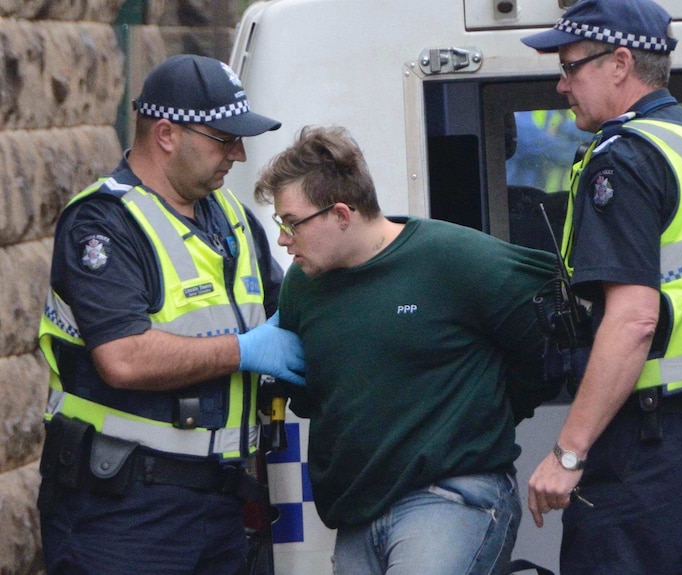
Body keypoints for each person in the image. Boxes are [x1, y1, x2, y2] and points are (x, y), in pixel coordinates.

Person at [520, 1, 682, 573]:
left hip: (657, 447)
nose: (561, 85)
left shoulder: (627, 155)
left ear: (620, 62)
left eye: (570, 66)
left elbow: (634, 319)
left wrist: (567, 451)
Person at [36, 54, 306, 575]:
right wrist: (244, 351)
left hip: (220, 502)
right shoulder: (103, 223)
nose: (238, 154)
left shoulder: (229, 215)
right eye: (224, 139)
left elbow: (286, 306)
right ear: (166, 134)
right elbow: (123, 359)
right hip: (123, 509)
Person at [252, 125, 561, 575]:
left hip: (450, 497)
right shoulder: (303, 286)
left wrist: (487, 410)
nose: (283, 239)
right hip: (356, 515)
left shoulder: (451, 257)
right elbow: (317, 391)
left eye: (290, 223)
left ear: (341, 213)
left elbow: (548, 334)